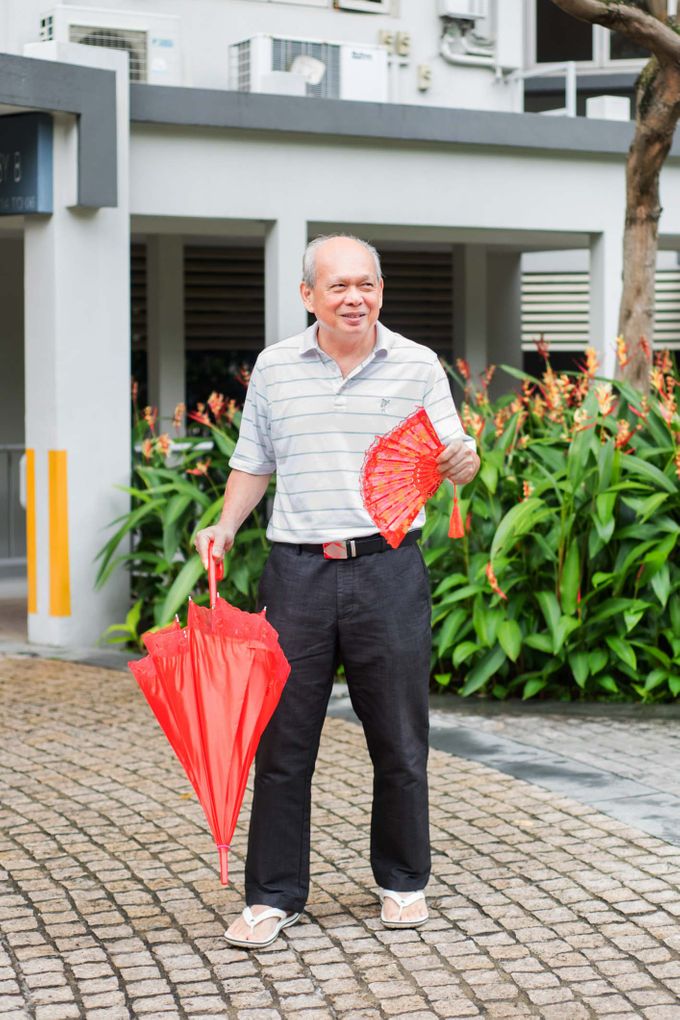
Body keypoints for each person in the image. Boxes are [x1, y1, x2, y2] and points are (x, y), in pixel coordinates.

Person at [195, 234, 480, 948]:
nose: (355, 298)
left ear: (380, 291)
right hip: (296, 574)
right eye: (339, 287)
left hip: (388, 569)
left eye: (367, 285)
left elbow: (456, 456)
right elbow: (252, 463)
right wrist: (225, 527)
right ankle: (274, 896)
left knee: (400, 738)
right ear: (308, 296)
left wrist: (464, 458)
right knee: (283, 742)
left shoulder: (417, 364)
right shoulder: (274, 368)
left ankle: (403, 883)